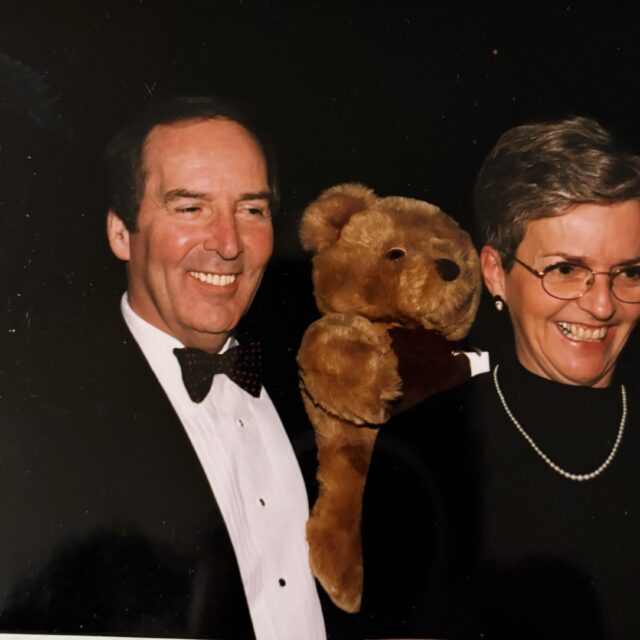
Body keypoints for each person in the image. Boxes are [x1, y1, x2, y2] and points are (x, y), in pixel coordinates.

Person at [0, 97, 334, 640]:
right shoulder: (36, 430)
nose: (228, 244)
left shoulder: (316, 382)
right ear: (120, 234)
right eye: (190, 207)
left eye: (252, 209)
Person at [360, 116, 640, 639]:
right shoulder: (420, 450)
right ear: (495, 273)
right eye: (565, 269)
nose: (603, 305)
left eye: (629, 272)